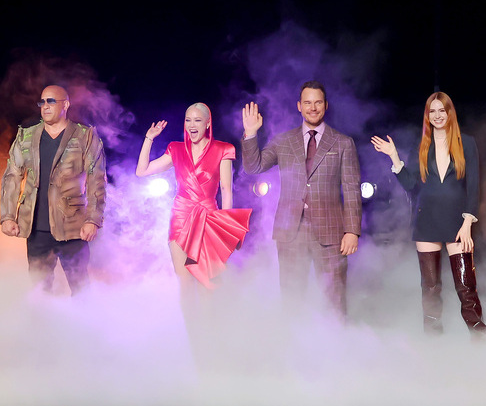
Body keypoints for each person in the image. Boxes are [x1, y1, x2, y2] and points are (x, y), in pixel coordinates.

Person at [242, 81, 362, 316]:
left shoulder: (343, 143)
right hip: (290, 233)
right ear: (299, 106)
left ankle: (338, 348)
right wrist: (251, 133)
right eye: (307, 102)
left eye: (318, 102)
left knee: (334, 298)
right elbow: (254, 167)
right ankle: (293, 348)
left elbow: (351, 189)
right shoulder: (283, 141)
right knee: (292, 298)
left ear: (325, 106)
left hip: (331, 235)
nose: (313, 107)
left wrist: (352, 231)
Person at [372, 91, 486, 336]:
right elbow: (412, 185)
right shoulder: (422, 146)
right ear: (428, 115)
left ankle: (479, 340)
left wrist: (468, 222)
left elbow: (474, 185)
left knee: (466, 288)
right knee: (431, 289)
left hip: (458, 222)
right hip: (426, 222)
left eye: (441, 110)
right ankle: (434, 345)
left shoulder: (466, 142)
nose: (437, 115)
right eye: (432, 111)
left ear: (449, 113)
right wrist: (394, 157)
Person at [0, 85, 107, 294]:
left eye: (51, 101)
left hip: (73, 228)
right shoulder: (26, 136)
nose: (45, 106)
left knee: (80, 288)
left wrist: (93, 220)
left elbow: (97, 179)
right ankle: (42, 326)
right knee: (39, 290)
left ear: (65, 104)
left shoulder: (85, 136)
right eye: (42, 102)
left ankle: (82, 326)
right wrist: (7, 216)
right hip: (36, 229)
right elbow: (12, 176)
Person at [136, 103, 252, 291]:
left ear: (207, 123)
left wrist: (225, 228)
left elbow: (226, 189)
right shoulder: (176, 149)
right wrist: (149, 138)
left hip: (209, 219)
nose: (191, 125)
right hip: (180, 218)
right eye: (188, 120)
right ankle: (190, 320)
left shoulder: (223, 149)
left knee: (208, 283)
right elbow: (142, 171)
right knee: (185, 284)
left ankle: (209, 320)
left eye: (197, 120)